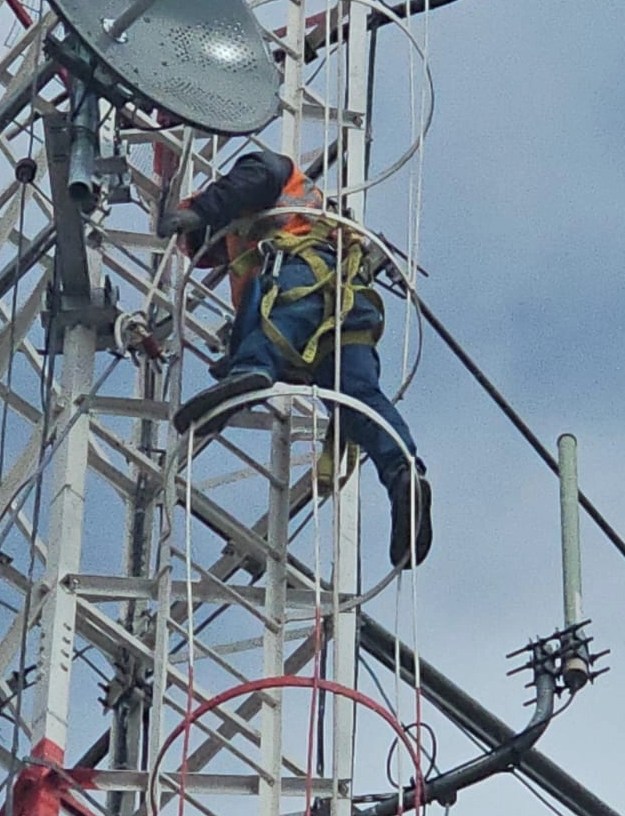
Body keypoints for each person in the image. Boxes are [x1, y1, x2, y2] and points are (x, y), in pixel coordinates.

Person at [158, 149, 432, 567]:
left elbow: (258, 178)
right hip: (348, 306)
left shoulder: (262, 176)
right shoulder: (270, 227)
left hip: (304, 278)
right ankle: (402, 473)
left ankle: (251, 371)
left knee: (273, 324)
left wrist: (198, 210)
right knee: (357, 398)